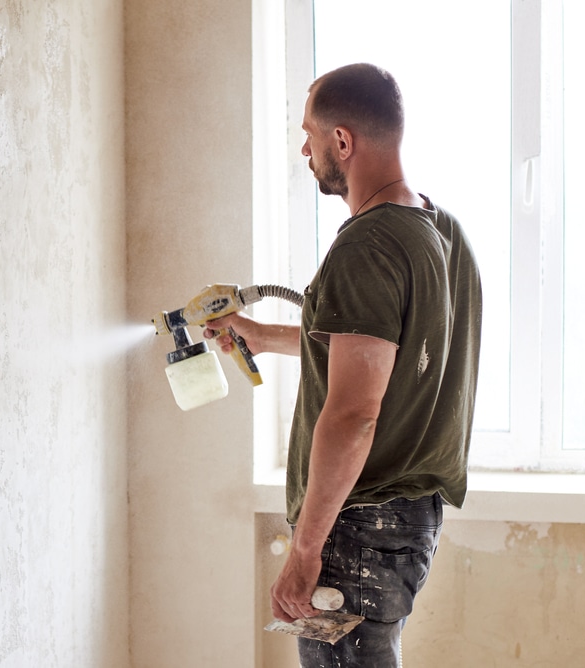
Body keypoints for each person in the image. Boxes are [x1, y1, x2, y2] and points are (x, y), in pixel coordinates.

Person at [205, 63, 482, 667]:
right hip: (406, 524)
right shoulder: (442, 231)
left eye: (310, 134)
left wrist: (305, 552)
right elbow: (383, 360)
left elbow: (355, 410)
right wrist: (260, 335)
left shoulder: (368, 244)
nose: (304, 149)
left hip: (359, 528)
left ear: (342, 141)